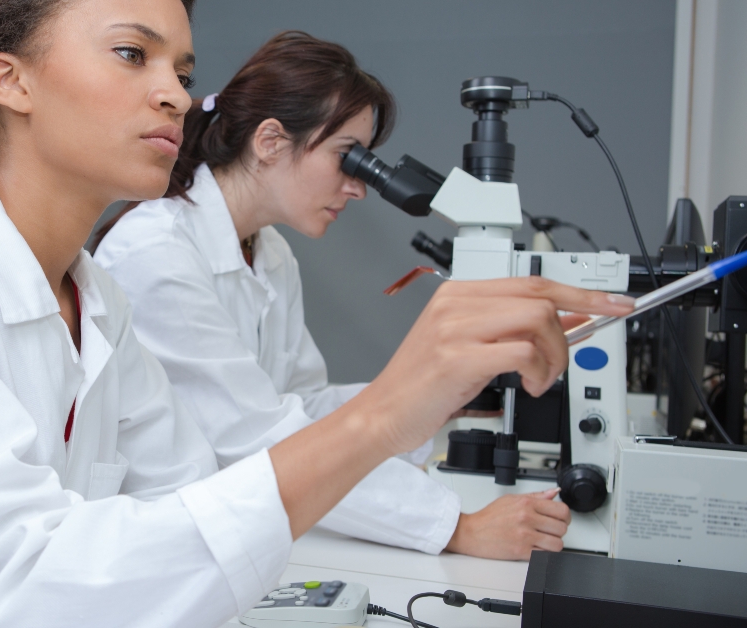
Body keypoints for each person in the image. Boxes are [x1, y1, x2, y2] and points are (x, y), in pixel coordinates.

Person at [0, 1, 633, 626]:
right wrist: (391, 415)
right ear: (11, 80)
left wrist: (432, 393)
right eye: (132, 53)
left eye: (183, 68)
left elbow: (189, 495)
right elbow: (14, 596)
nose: (177, 94)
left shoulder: (96, 302)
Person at [94, 31, 580, 560]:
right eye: (348, 158)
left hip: (237, 531)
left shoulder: (268, 251)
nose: (359, 186)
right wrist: (457, 528)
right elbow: (260, 437)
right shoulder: (157, 251)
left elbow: (304, 406)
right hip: (161, 549)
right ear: (270, 141)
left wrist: (442, 395)